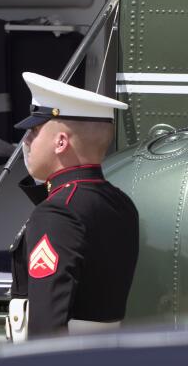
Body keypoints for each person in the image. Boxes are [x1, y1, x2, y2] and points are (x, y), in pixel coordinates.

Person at [8, 71, 139, 340]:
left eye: (34, 131)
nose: (27, 141)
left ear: (61, 142)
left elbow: (47, 324)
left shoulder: (58, 212)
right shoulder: (120, 203)